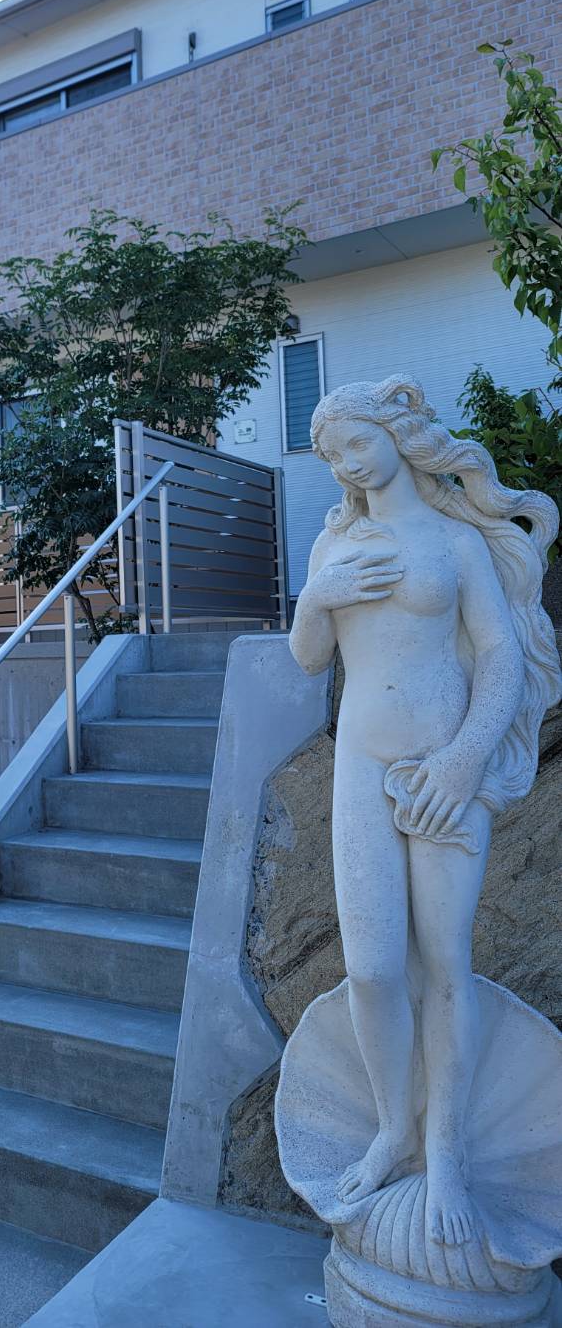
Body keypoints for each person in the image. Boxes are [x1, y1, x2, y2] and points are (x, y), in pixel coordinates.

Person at [288, 375, 560, 1248]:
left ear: (397, 437)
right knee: (372, 967)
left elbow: (500, 655)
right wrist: (316, 597)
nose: (347, 465)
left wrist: (464, 758)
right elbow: (308, 658)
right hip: (362, 767)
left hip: (446, 770)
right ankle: (391, 1129)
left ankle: (444, 1150)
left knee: (446, 962)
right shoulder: (334, 544)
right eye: (332, 457)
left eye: (357, 444)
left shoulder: (454, 541)